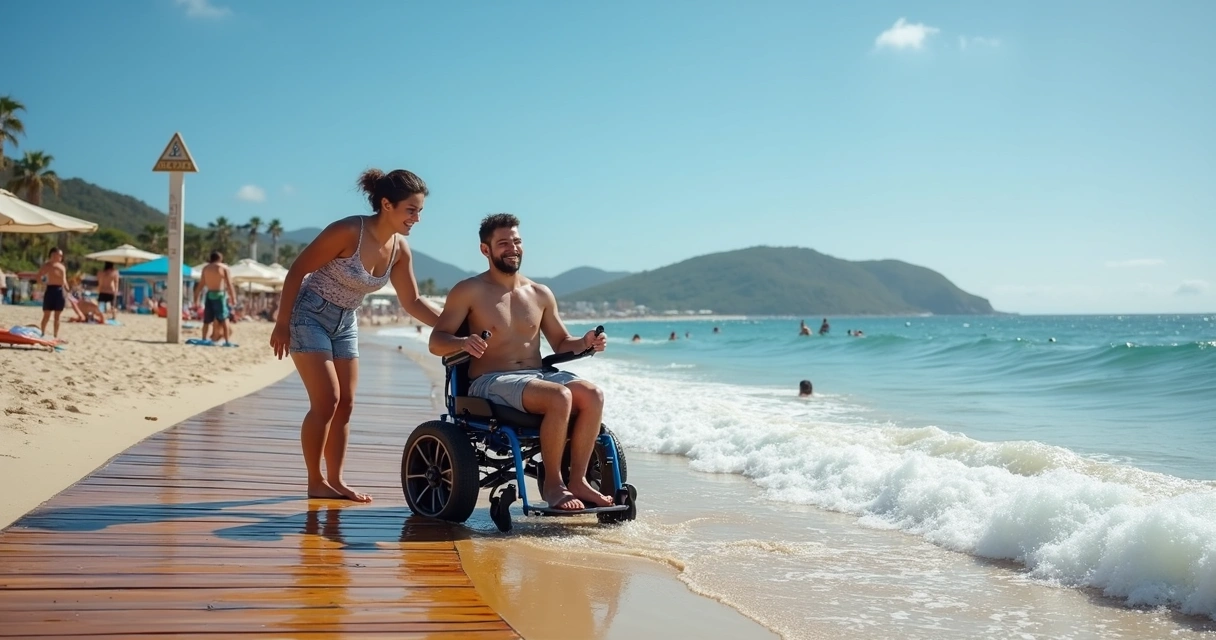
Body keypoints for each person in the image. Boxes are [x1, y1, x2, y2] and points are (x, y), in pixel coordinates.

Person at [270, 168, 442, 502]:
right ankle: (315, 480)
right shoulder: (349, 231)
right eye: (412, 210)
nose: (417, 218)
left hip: (346, 321)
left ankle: (336, 481)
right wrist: (281, 322)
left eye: (420, 211)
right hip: (309, 314)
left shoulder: (400, 250)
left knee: (346, 404)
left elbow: (413, 301)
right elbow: (297, 270)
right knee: (327, 401)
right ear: (386, 204)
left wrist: (452, 327)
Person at [429, 213, 612, 511]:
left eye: (517, 241)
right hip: (490, 382)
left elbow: (562, 343)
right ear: (485, 250)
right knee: (559, 396)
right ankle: (553, 485)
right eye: (503, 243)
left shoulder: (540, 293)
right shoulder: (469, 290)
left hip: (535, 377)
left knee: (593, 394)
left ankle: (577, 481)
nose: (512, 248)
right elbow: (437, 341)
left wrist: (586, 342)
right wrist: (463, 342)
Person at [195, 252, 238, 345]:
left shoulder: (205, 268)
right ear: (220, 259)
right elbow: (229, 284)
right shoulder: (223, 268)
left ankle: (204, 339)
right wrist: (233, 297)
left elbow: (200, 285)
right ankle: (227, 341)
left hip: (209, 294)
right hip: (220, 294)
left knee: (207, 320)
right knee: (224, 318)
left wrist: (196, 299)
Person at [37, 248, 68, 338]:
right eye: (58, 255)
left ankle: (55, 335)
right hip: (50, 289)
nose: (60, 257)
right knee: (46, 314)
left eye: (61, 256)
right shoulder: (46, 266)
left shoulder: (62, 267)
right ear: (52, 255)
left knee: (57, 316)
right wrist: (43, 283)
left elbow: (64, 280)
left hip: (60, 290)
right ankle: (42, 333)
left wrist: (68, 290)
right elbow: (39, 276)